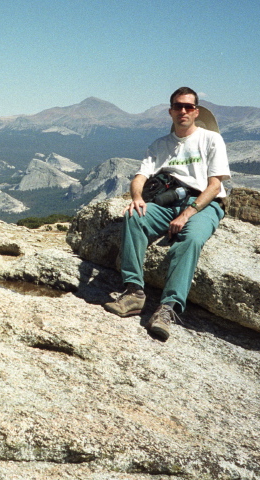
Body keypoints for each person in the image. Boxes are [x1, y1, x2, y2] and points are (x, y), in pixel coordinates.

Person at [103, 87, 231, 340]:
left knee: (191, 239)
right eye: (177, 106)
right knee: (134, 217)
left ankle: (167, 308)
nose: (182, 111)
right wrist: (137, 199)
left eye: (188, 107)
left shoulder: (211, 139)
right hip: (167, 201)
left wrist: (187, 214)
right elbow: (140, 176)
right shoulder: (160, 145)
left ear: (196, 112)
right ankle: (134, 293)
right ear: (170, 110)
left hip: (203, 201)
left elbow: (215, 185)